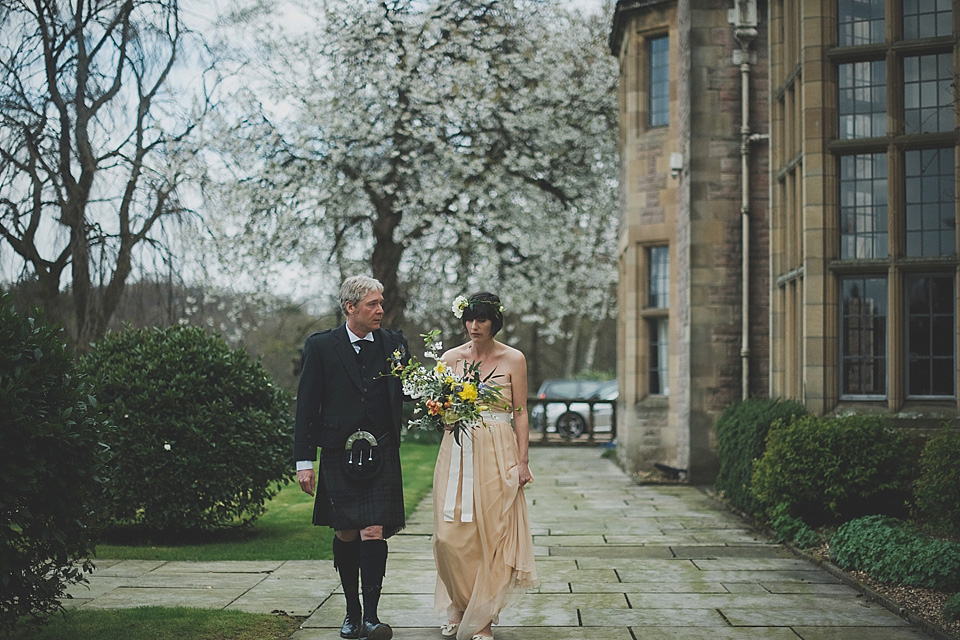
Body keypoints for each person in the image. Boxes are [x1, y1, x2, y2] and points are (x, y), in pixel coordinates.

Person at [294, 275, 409, 640]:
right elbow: (307, 406)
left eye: (381, 302)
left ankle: (372, 617)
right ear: (350, 307)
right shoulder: (322, 346)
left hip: (382, 450)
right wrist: (304, 461)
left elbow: (413, 388)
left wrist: (444, 398)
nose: (380, 310)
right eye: (373, 304)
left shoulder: (394, 344)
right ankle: (351, 613)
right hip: (338, 453)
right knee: (346, 532)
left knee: (373, 530)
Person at [433, 292, 538, 640]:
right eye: (469, 319)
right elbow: (440, 406)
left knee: (491, 535)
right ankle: (459, 604)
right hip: (457, 450)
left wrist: (522, 461)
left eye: (481, 320)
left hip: (499, 450)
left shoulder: (514, 359)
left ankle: (482, 618)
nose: (473, 326)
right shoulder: (449, 359)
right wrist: (442, 413)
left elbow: (520, 412)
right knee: (448, 537)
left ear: (495, 322)